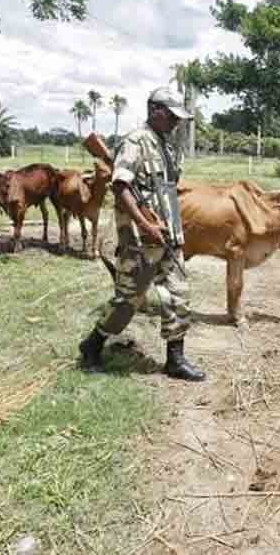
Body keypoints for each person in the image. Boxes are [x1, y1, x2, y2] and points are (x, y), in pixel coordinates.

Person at [78, 86, 205, 381]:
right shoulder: (135, 142)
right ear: (155, 111)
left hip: (169, 235)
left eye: (178, 118)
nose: (175, 123)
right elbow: (121, 188)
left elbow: (167, 190)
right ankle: (92, 346)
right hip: (139, 240)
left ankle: (175, 359)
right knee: (127, 301)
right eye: (171, 116)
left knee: (179, 295)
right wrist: (146, 224)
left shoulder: (168, 147)